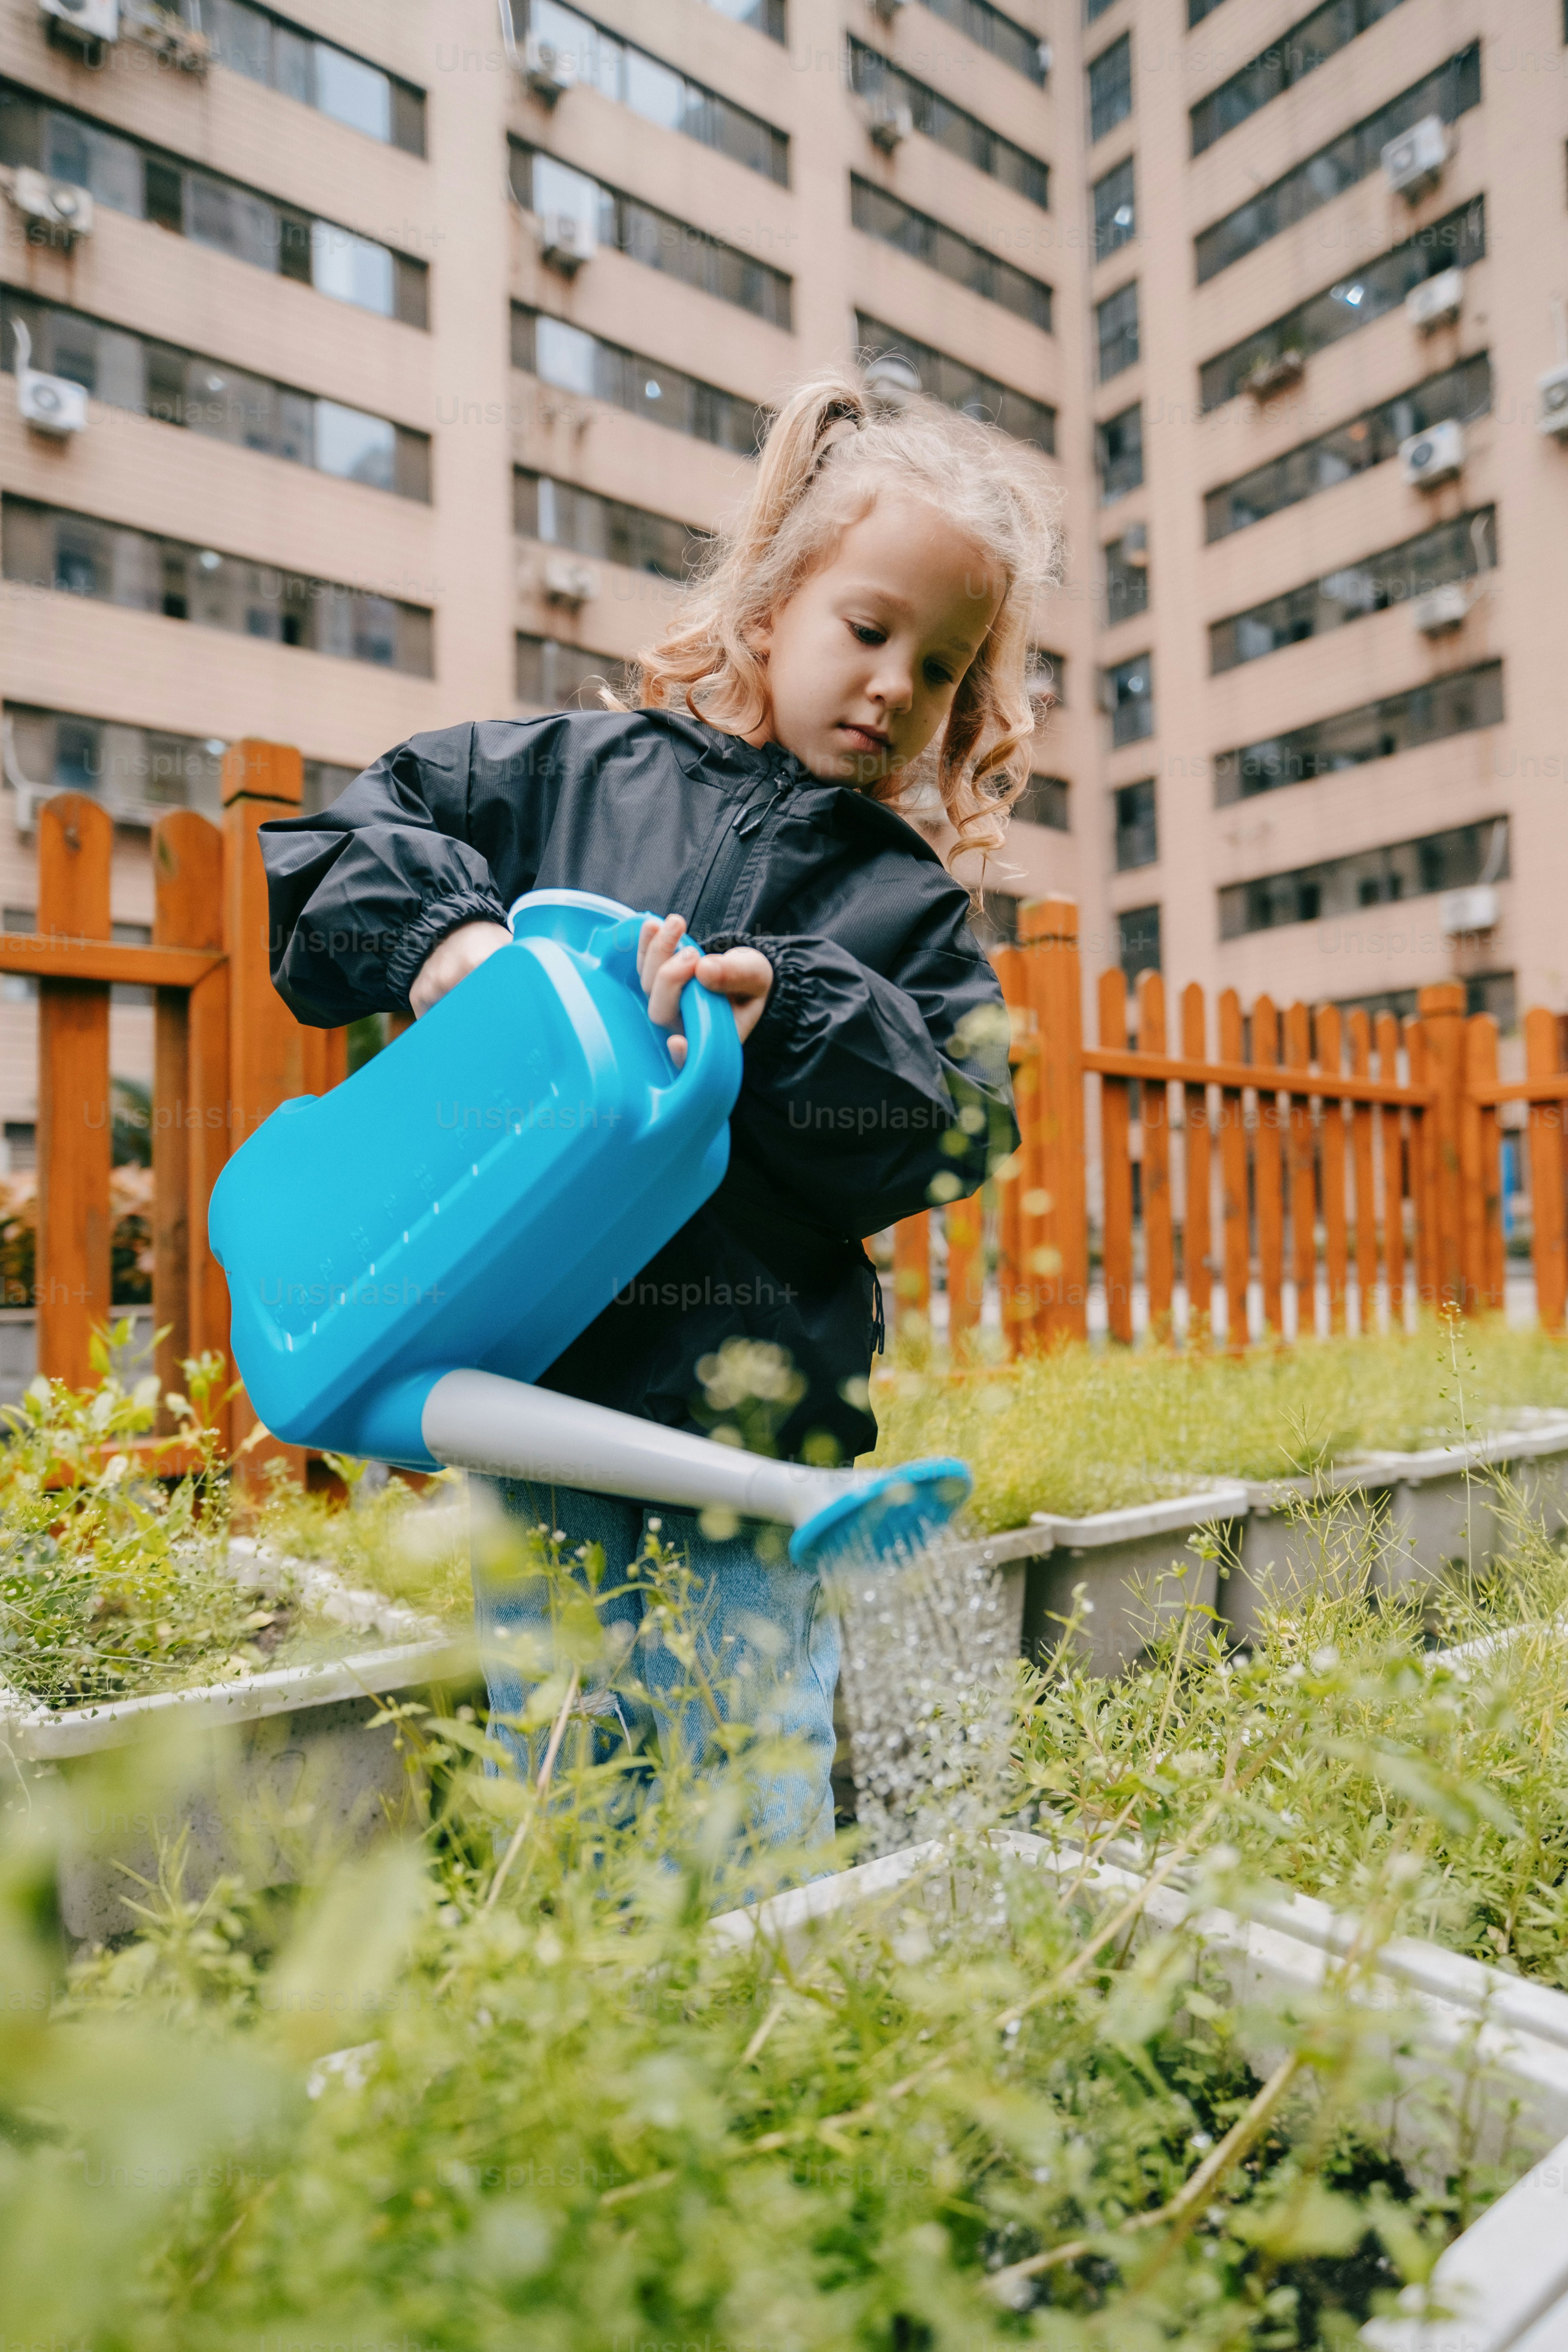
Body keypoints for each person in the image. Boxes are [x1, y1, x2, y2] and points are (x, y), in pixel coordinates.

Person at [260, 368, 1058, 1849]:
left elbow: (964, 1119)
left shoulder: (904, 911)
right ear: (767, 609)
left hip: (749, 1422)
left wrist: (799, 1015)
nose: (897, 687)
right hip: (539, 1395)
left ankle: (756, 2024)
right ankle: (602, 2034)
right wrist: (450, 943)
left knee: (747, 1770)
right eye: (868, 630)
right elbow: (340, 839)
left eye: (942, 668)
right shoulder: (566, 778)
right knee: (563, 1749)